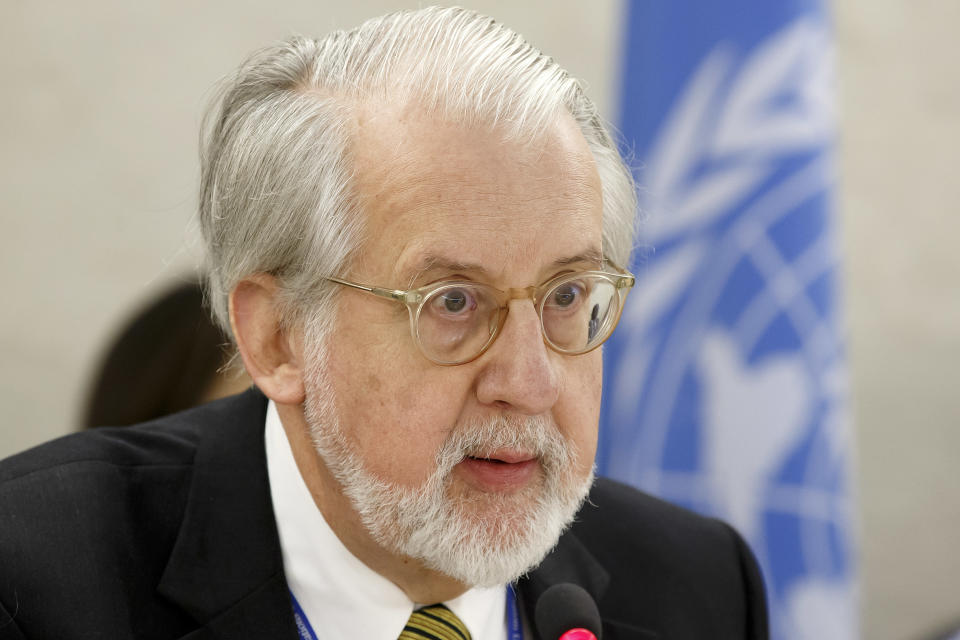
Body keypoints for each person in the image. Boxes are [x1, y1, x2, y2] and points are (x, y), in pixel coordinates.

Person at [0, 8, 768, 639]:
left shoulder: (699, 590)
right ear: (276, 336)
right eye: (454, 303)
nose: (530, 383)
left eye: (568, 296)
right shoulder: (36, 582)